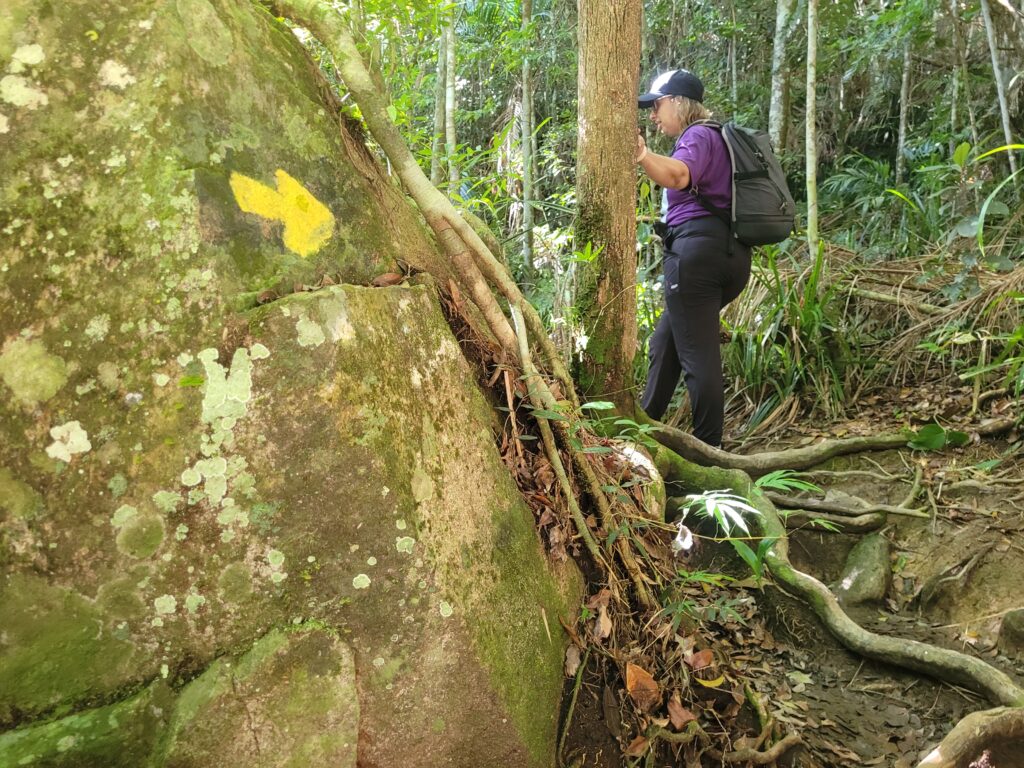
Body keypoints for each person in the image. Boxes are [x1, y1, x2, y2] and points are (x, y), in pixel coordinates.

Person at [635, 69, 751, 448]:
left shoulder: (698, 135)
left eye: (657, 105)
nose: (653, 115)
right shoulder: (719, 139)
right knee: (665, 341)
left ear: (678, 103)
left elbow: (680, 176)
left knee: (698, 356)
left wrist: (642, 155)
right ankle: (643, 429)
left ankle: (711, 451)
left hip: (696, 256)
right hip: (729, 255)